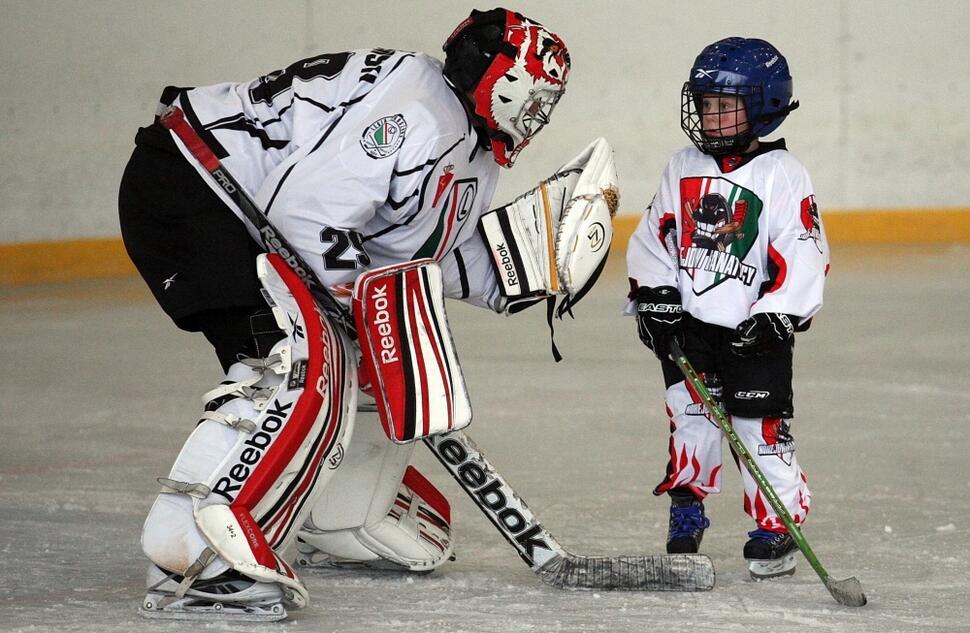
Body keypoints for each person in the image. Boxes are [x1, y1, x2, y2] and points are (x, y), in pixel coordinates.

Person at [119, 8, 574, 620]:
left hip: (245, 209)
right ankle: (200, 560)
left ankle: (333, 523)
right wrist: (368, 318)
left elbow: (412, 254)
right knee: (294, 360)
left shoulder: (474, 150)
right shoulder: (414, 103)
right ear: (497, 78)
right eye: (537, 96)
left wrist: (520, 280)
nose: (541, 114)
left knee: (357, 365)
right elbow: (309, 213)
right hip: (196, 185)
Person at [626, 37, 829, 580]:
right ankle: (686, 504)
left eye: (725, 104)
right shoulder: (682, 165)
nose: (710, 116)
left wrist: (777, 314)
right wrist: (656, 294)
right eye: (705, 102)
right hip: (690, 327)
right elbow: (656, 235)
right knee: (690, 419)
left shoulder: (783, 175)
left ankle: (776, 523)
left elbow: (805, 248)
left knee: (759, 429)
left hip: (753, 330)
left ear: (763, 105)